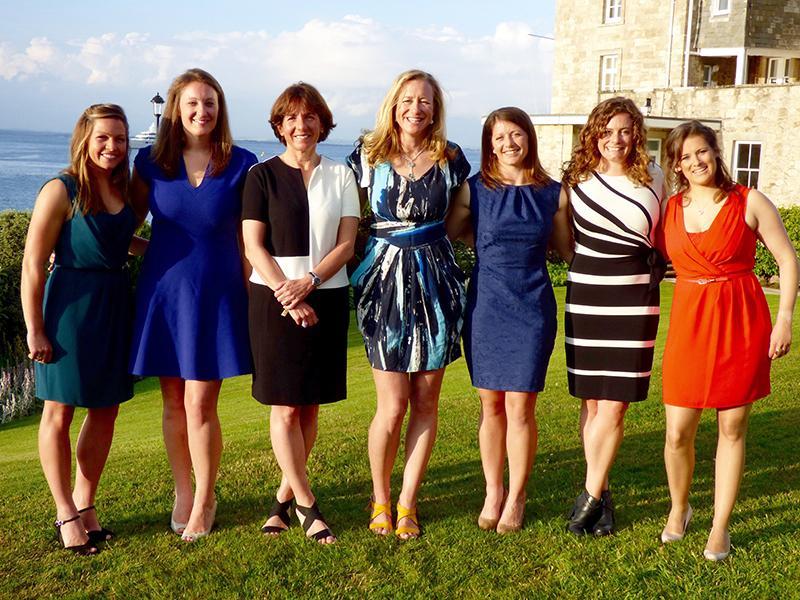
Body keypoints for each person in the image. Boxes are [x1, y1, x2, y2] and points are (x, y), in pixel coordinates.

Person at [128, 69, 257, 542]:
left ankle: (205, 498)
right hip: (164, 295)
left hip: (220, 293)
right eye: (192, 104)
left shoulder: (242, 163)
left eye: (210, 103)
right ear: (176, 111)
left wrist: (255, 298)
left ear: (220, 109)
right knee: (171, 401)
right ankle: (183, 490)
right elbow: (124, 227)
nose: (202, 111)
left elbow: (251, 242)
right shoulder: (149, 163)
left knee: (200, 401)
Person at [659, 121, 797, 560]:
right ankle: (680, 507)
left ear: (716, 153)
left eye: (702, 152)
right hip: (689, 322)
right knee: (678, 431)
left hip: (741, 319)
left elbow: (787, 258)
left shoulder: (749, 201)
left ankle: (720, 527)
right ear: (677, 166)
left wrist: (785, 318)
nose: (695, 161)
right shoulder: (669, 208)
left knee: (731, 427)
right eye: (684, 157)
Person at [348, 69, 470, 539]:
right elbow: (345, 219)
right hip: (383, 284)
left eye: (425, 101)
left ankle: (407, 503)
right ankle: (379, 498)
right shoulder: (368, 154)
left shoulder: (451, 158)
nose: (415, 108)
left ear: (435, 108)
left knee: (426, 400)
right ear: (393, 104)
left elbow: (463, 217)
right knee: (392, 404)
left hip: (438, 281)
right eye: (407, 100)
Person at [21, 104, 143, 555]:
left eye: (120, 139)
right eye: (103, 138)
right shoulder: (61, 189)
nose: (112, 147)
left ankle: (86, 504)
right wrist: (35, 328)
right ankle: (64, 513)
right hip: (68, 309)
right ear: (85, 140)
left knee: (106, 411)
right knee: (59, 412)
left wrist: (166, 249)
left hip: (114, 306)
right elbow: (33, 264)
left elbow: (120, 241)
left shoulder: (121, 188)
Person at [241, 83, 359, 545]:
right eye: (291, 118)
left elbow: (346, 244)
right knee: (285, 404)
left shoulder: (342, 175)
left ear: (322, 124)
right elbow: (254, 245)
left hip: (326, 294)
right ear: (279, 125)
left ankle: (282, 501)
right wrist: (288, 296)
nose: (300, 126)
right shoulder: (261, 175)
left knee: (309, 404)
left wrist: (308, 284)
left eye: (309, 117)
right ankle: (309, 506)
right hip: (273, 300)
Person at [447, 107, 572, 533]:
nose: (508, 144)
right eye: (499, 138)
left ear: (529, 139)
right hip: (486, 305)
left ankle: (517, 495)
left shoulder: (553, 193)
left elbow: (566, 250)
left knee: (521, 406)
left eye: (516, 135)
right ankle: (492, 491)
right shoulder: (473, 191)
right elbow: (452, 233)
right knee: (490, 404)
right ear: (489, 144)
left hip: (533, 306)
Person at [562, 96, 666, 536]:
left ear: (636, 134)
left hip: (635, 298)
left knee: (616, 404)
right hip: (587, 294)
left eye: (624, 130)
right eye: (606, 131)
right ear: (593, 134)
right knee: (591, 401)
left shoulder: (656, 177)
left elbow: (666, 231)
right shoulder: (576, 179)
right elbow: (564, 238)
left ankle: (588, 497)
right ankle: (601, 494)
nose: (615, 140)